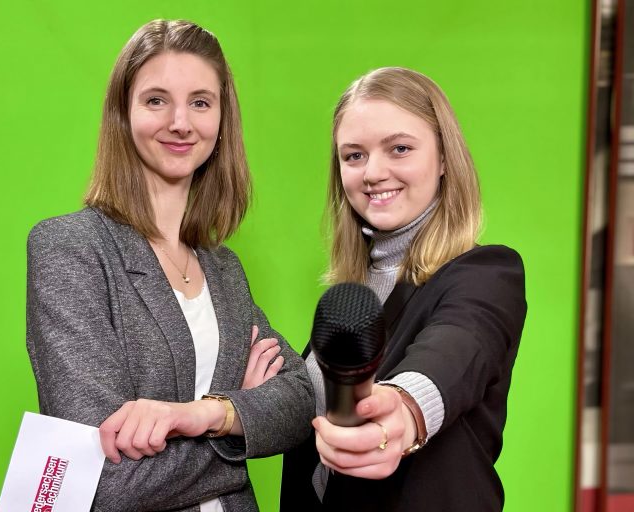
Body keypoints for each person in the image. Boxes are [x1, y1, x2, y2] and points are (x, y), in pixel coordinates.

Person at [26, 19, 313, 512]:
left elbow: (301, 399)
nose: (181, 122)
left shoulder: (223, 269)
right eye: (156, 100)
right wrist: (239, 427)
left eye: (200, 102)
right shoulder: (70, 249)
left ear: (222, 119)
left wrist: (210, 414)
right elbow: (102, 479)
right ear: (123, 113)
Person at [280, 67, 527, 511]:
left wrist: (404, 409)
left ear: (445, 158)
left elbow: (455, 350)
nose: (373, 172)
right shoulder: (357, 295)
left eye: (399, 148)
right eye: (354, 156)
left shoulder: (485, 275)